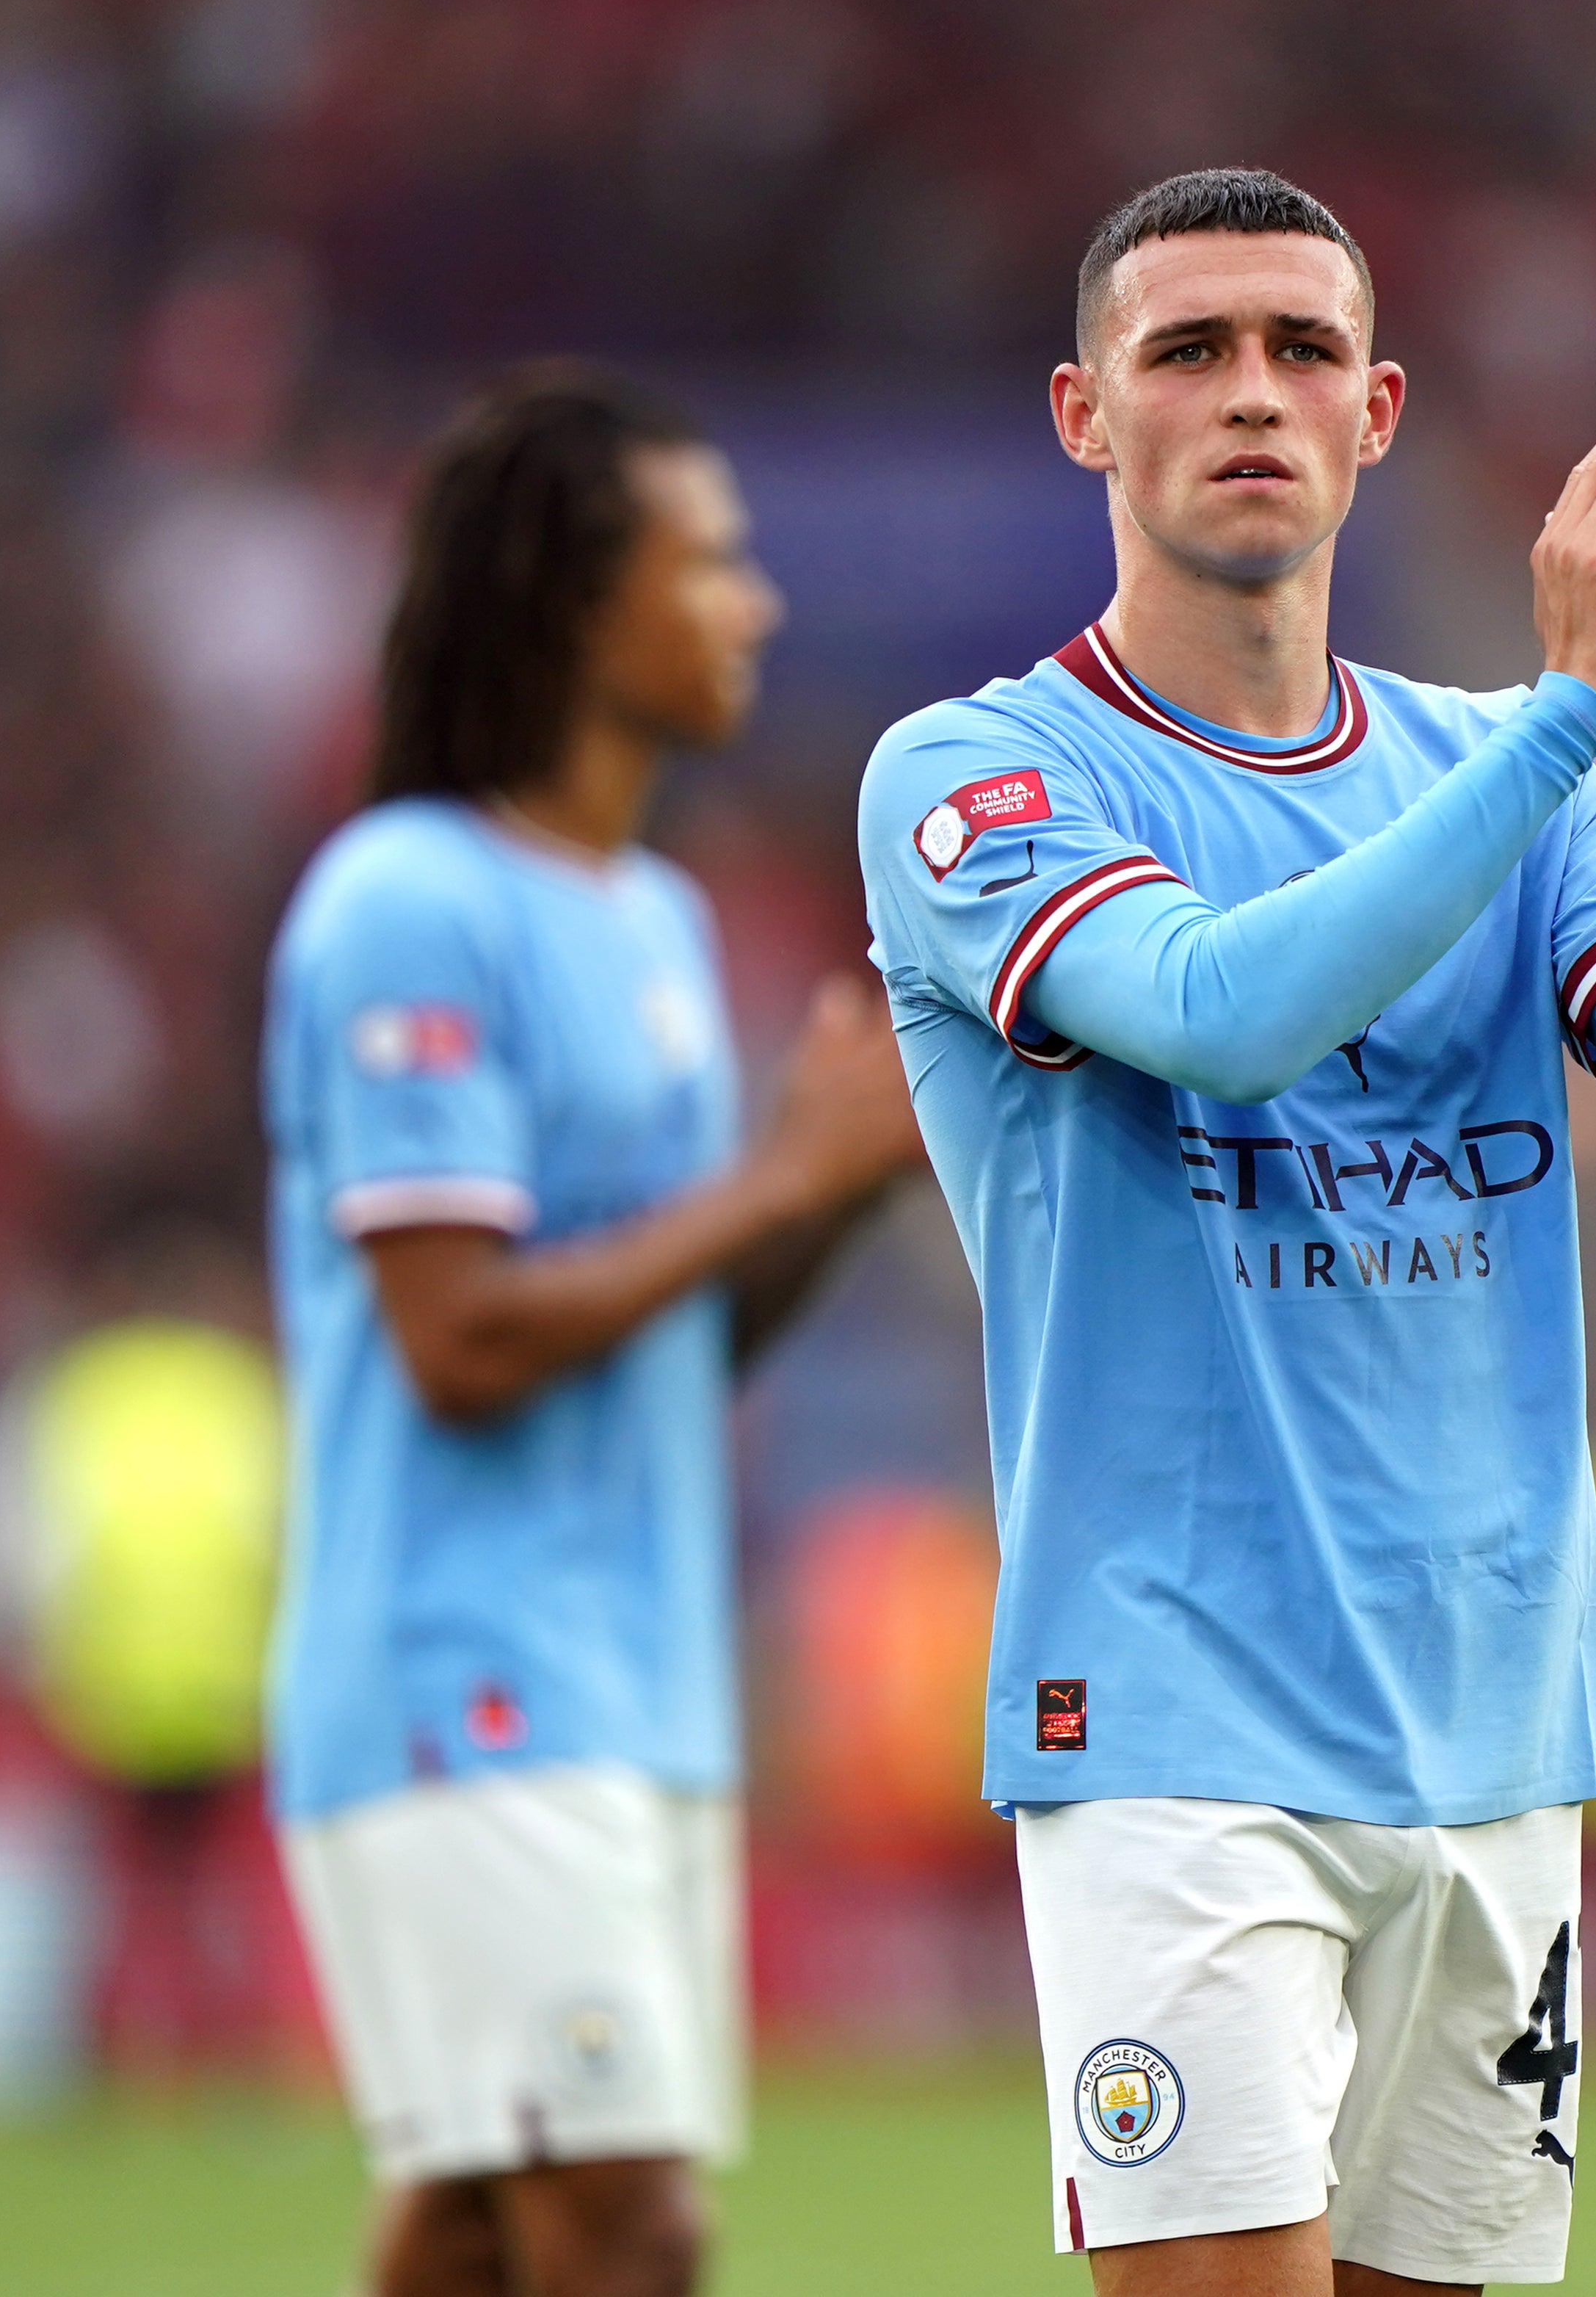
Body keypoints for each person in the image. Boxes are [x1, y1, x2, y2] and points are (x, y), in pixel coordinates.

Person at [856, 167, 1596, 2293]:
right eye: (1184, 351)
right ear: (1079, 415)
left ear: (1375, 412)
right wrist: (1572, 719)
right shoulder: (975, 779)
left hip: (1493, 1732)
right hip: (1175, 1731)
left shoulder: (1507, 761)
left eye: (1299, 349)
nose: (1248, 394)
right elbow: (1220, 1017)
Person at [262, 366, 924, 2297]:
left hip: (630, 1678)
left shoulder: (644, 916)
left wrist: (846, 1174)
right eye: (709, 562)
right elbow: (457, 1335)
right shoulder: (404, 900)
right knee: (625, 2228)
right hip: (466, 1674)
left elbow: (663, 1339)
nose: (756, 604)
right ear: (570, 601)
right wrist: (775, 1180)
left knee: (480, 2229)